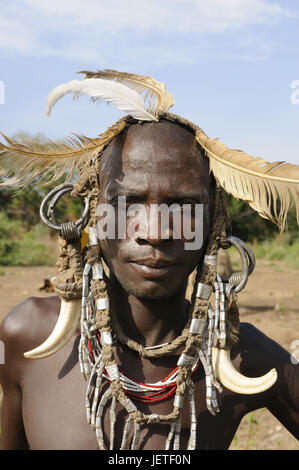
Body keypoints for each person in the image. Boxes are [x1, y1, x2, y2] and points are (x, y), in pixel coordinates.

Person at [0, 70, 298, 450]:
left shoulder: (245, 355)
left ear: (215, 222)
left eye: (184, 205)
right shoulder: (26, 334)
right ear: (94, 213)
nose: (155, 231)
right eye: (127, 202)